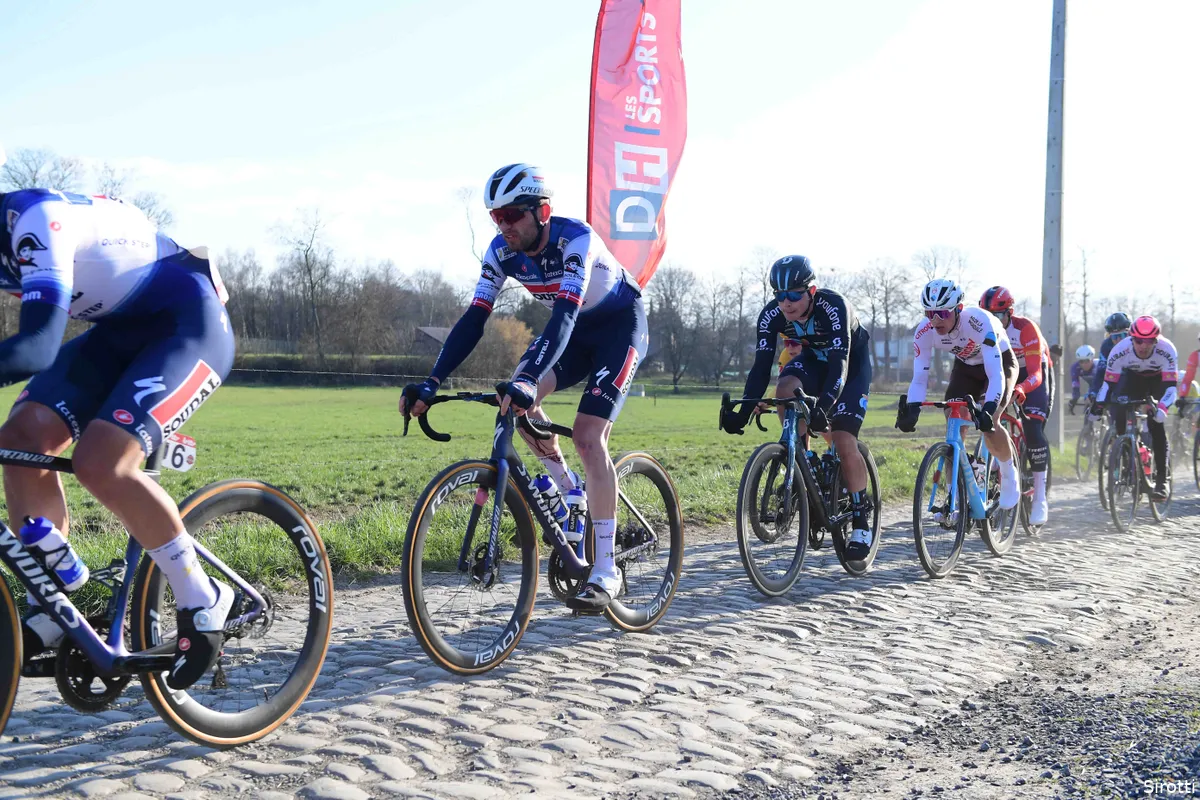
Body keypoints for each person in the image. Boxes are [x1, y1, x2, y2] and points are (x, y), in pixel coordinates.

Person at [0, 149, 235, 690]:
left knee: (101, 462)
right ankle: (54, 604)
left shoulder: (36, 220)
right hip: (117, 333)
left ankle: (203, 597)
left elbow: (35, 348)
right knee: (19, 438)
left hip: (185, 323)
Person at [398, 163, 647, 613]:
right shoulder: (500, 252)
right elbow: (474, 318)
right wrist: (432, 382)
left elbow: (565, 315)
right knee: (513, 403)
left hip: (616, 328)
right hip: (570, 334)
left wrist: (530, 378)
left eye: (512, 215)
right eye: (496, 217)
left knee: (589, 436)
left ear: (542, 211)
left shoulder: (577, 240)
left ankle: (606, 568)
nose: (503, 226)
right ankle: (568, 487)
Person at [720, 255, 874, 563]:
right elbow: (761, 367)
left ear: (811, 291)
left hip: (849, 367)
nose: (786, 302)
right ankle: (800, 456)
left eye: (793, 294)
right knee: (784, 388)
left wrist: (825, 406)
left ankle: (860, 517)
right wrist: (745, 408)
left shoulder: (834, 307)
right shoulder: (771, 316)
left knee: (843, 439)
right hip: (813, 362)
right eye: (779, 295)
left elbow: (839, 365)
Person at [895, 279, 1022, 510]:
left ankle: (1008, 472)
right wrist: (912, 409)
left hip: (999, 364)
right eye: (930, 313)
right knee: (953, 418)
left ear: (958, 309)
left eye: (943, 312)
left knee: (989, 422)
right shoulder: (924, 331)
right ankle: (957, 488)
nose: (936, 320)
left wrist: (989, 408)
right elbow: (920, 377)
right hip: (965, 367)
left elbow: (995, 376)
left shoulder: (979, 322)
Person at [978, 287, 1052, 525]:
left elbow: (1035, 374)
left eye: (998, 316)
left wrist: (1021, 389)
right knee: (986, 418)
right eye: (988, 315)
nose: (993, 321)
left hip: (1032, 375)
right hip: (1005, 373)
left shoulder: (1025, 329)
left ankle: (1040, 497)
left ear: (1009, 313)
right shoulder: (980, 329)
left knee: (1032, 429)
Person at [1093, 315, 1178, 500]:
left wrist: (1162, 407)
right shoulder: (1119, 350)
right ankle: (1127, 457)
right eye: (1138, 341)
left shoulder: (1167, 349)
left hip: (1158, 381)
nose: (1143, 346)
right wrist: (1098, 404)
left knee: (1156, 423)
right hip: (1134, 378)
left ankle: (1162, 481)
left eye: (1149, 341)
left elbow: (1171, 387)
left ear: (1157, 340)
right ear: (1131, 338)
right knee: (1119, 411)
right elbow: (1108, 384)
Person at [1087, 312, 1132, 400]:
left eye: (1122, 335)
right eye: (1115, 337)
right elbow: (1101, 372)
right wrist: (1094, 392)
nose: (1119, 340)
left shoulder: (1136, 342)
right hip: (1117, 379)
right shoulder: (1106, 346)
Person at [1070, 345, 1097, 411]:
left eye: (1087, 361)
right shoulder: (1075, 367)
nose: (1084, 364)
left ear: (1092, 359)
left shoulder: (1098, 366)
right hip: (1091, 384)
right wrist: (1075, 398)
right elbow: (1075, 383)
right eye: (1081, 361)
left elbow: (1098, 384)